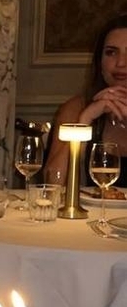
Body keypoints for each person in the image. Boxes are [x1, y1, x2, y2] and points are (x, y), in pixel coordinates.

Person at [44, 12, 127, 186]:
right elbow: (54, 182)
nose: (120, 63)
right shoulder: (77, 108)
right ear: (100, 63)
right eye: (111, 53)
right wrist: (85, 120)